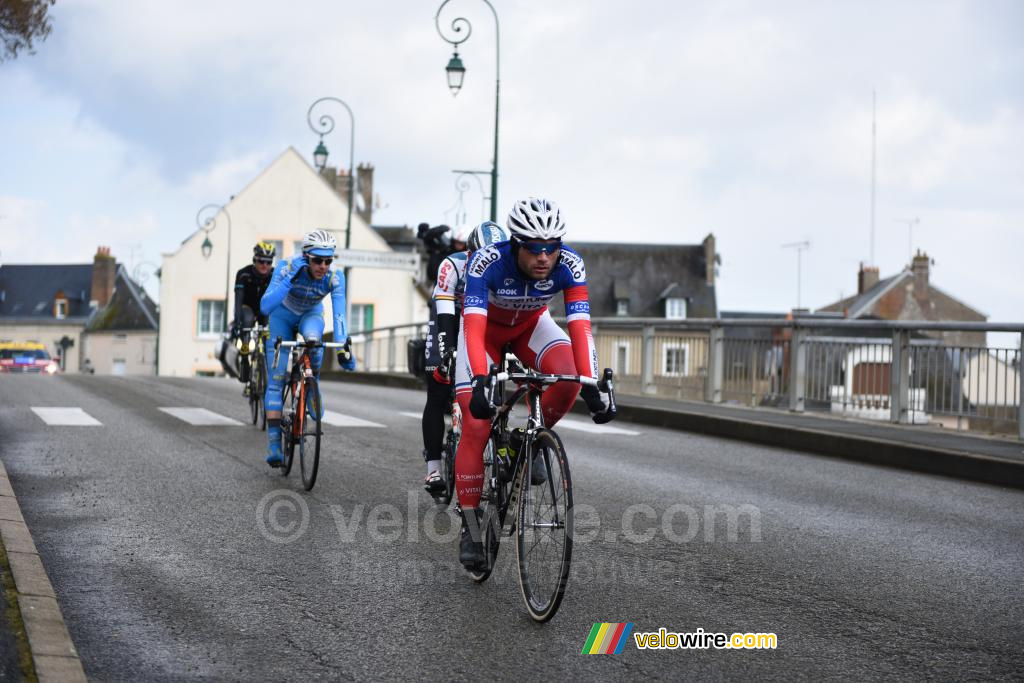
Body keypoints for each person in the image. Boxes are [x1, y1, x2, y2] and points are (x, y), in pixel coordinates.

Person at [452, 198, 616, 570]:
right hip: (486, 335)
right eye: (534, 248)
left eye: (552, 247)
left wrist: (592, 382)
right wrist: (481, 381)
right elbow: (474, 330)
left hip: (530, 327)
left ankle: (526, 440)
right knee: (476, 423)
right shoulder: (487, 262)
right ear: (515, 244)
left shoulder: (570, 265)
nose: (545, 257)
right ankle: (473, 527)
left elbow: (580, 328)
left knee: (570, 376)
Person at [421, 221, 508, 497]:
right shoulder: (452, 265)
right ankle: (434, 467)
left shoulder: (504, 270)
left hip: (482, 321)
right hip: (450, 318)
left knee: (496, 380)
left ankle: (501, 446)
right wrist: (447, 355)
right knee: (437, 388)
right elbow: (444, 314)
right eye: (480, 256)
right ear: (470, 253)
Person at [260, 230, 356, 467]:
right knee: (277, 378)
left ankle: (312, 387)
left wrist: (344, 346)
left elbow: (339, 315)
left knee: (314, 339)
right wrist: (290, 278)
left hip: (310, 315)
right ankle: (274, 445)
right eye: (317, 260)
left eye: (328, 260)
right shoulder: (286, 266)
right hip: (281, 316)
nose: (323, 266)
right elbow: (265, 306)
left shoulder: (335, 277)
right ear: (305, 257)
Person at [224, 241, 276, 386]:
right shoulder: (243, 274)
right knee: (246, 320)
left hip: (265, 309)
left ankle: (267, 364)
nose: (264, 265)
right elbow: (238, 301)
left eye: (268, 262)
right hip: (248, 307)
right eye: (261, 261)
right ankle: (245, 359)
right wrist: (237, 322)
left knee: (269, 329)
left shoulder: (275, 275)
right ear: (254, 260)